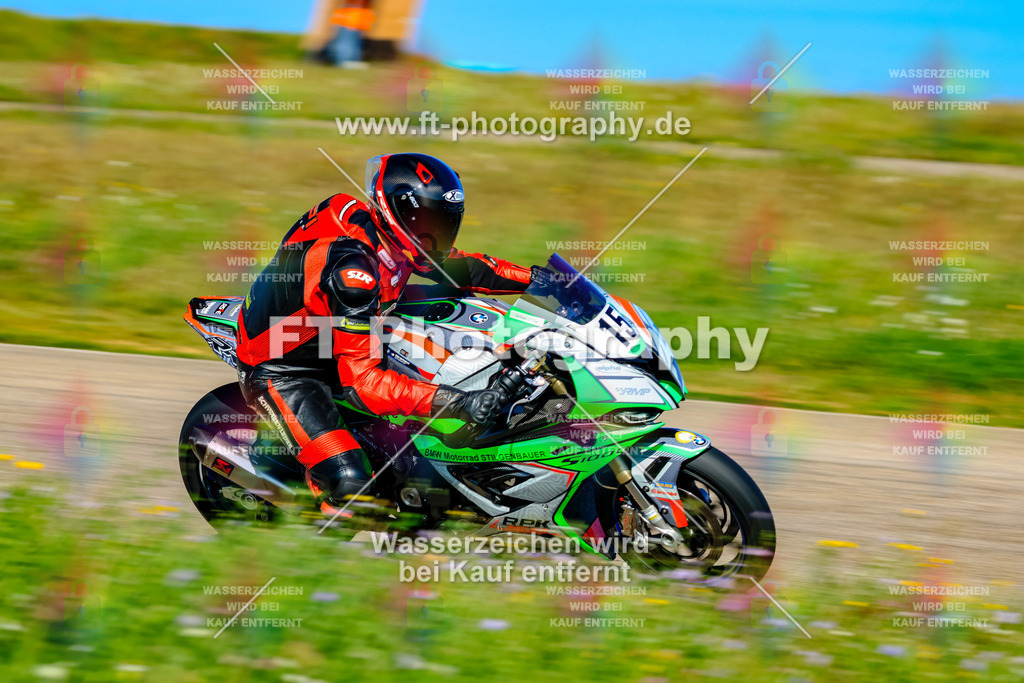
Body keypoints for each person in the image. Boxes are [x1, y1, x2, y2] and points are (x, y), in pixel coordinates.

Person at [235, 153, 532, 508]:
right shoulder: (353, 272)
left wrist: (548, 282)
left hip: (349, 327)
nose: (434, 236)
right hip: (289, 366)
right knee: (352, 485)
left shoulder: (389, 236)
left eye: (442, 223)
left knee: (470, 334)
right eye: (423, 222)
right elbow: (363, 385)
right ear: (393, 211)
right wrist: (456, 402)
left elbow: (466, 269)